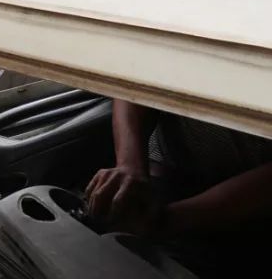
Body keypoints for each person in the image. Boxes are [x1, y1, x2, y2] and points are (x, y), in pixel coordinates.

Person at [86, 100, 272, 276]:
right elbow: (135, 81)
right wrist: (129, 164)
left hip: (251, 213)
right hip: (168, 168)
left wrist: (169, 221)